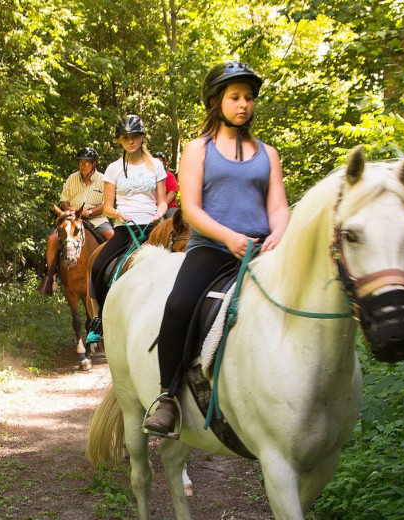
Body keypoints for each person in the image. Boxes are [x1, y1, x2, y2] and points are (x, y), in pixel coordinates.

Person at [143, 61, 290, 435]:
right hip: (213, 248)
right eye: (235, 97)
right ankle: (167, 397)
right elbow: (190, 207)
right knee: (178, 304)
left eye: (249, 98)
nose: (244, 104)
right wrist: (228, 237)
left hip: (263, 251)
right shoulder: (199, 149)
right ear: (216, 102)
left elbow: (277, 206)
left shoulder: (268, 153)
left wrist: (278, 233)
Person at [86, 115, 168, 342]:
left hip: (153, 226)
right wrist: (118, 214)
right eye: (125, 138)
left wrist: (159, 213)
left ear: (142, 138)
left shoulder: (157, 166)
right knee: (98, 266)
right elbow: (109, 207)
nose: (130, 142)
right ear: (120, 141)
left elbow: (162, 201)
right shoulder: (113, 169)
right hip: (125, 227)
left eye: (134, 137)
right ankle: (100, 320)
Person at [38, 147, 114, 296]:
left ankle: (111, 276)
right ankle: (51, 274)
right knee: (52, 239)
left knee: (112, 236)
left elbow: (106, 203)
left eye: (86, 163)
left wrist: (89, 212)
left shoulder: (103, 179)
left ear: (94, 164)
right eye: (80, 163)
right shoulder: (72, 178)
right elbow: (64, 200)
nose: (82, 166)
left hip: (96, 218)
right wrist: (72, 211)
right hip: (73, 217)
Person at [154, 151, 180, 217]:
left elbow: (172, 193)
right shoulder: (149, 176)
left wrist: (161, 207)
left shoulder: (169, 175)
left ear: (164, 163)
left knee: (174, 218)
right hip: (152, 208)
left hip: (169, 207)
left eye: (160, 161)